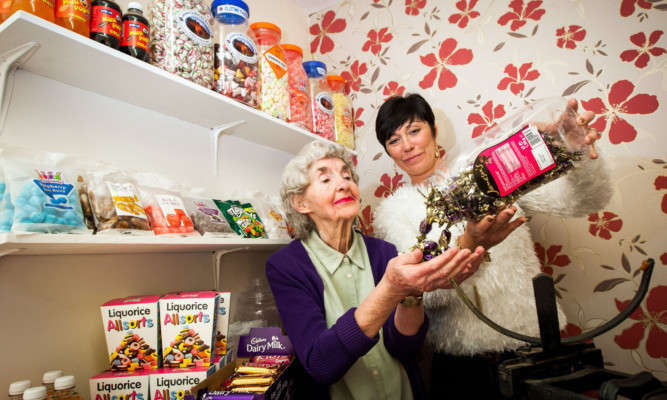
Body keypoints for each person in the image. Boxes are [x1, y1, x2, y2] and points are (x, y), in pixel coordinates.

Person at [372, 93, 611, 399]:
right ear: (388, 151)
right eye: (393, 140)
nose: (407, 146)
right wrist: (469, 243)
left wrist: (577, 152)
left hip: (533, 351)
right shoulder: (392, 212)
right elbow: (425, 295)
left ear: (432, 130)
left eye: (414, 130)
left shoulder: (486, 172)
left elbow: (584, 201)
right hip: (462, 368)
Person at [265, 140, 486, 400]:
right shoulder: (286, 266)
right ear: (301, 203)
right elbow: (320, 364)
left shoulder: (383, 252)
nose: (344, 183)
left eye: (347, 176)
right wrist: (390, 289)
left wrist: (411, 294)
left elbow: (405, 348)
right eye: (325, 180)